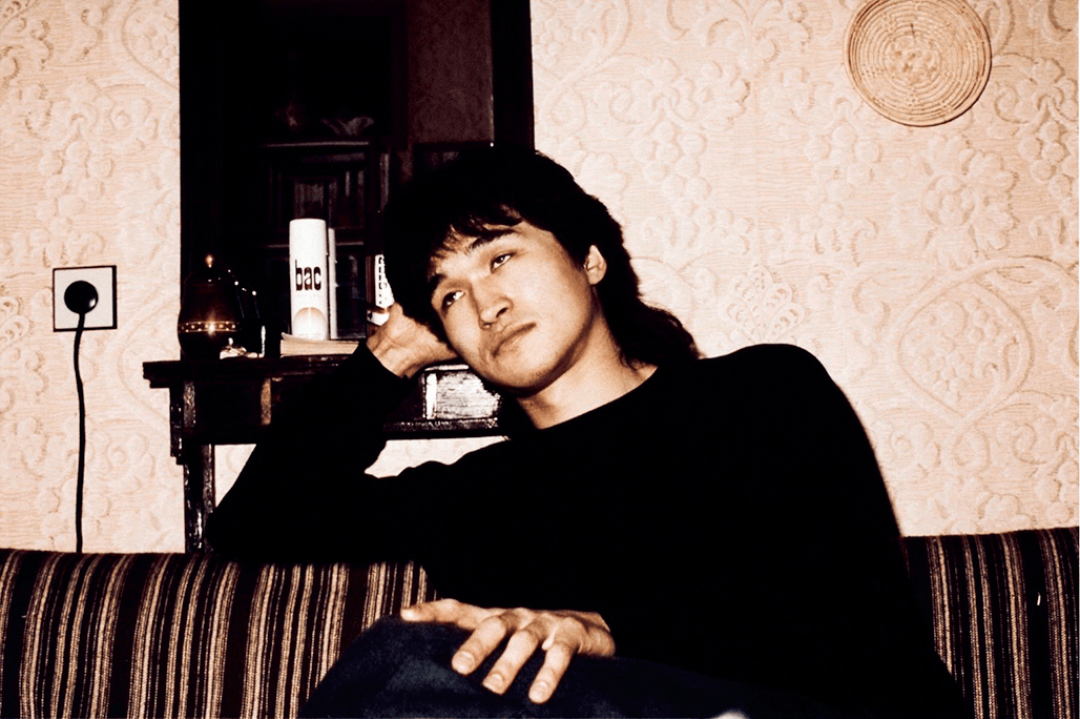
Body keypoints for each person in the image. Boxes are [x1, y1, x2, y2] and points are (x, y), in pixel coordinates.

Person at [206, 147, 969, 718]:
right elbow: (254, 520)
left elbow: (849, 616)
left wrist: (609, 630)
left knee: (406, 660)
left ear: (590, 258)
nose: (487, 305)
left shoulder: (760, 393)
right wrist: (388, 356)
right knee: (404, 660)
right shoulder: (481, 495)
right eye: (450, 296)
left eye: (501, 256)